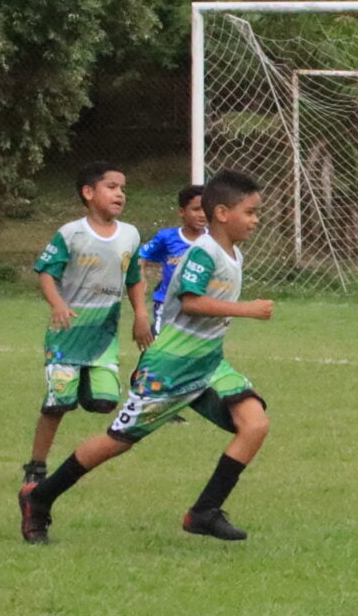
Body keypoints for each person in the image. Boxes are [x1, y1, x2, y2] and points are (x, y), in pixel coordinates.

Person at [18, 170, 275, 544]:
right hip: (169, 368)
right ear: (222, 213)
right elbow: (190, 302)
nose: (256, 220)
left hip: (208, 362)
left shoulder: (232, 252)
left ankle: (204, 511)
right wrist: (246, 309)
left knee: (255, 424)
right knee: (116, 441)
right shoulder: (203, 252)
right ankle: (39, 498)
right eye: (250, 212)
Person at [23, 163, 149, 502]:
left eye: (123, 188)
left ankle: (80, 386)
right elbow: (46, 273)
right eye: (111, 186)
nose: (120, 193)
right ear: (88, 193)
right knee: (57, 405)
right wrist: (58, 304)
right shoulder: (71, 233)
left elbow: (134, 278)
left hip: (102, 337)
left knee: (104, 402)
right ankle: (36, 465)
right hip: (66, 333)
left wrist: (141, 313)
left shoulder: (131, 235)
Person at [138, 182, 208, 311]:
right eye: (196, 209)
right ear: (182, 212)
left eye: (205, 209)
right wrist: (141, 277)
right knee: (161, 332)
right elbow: (141, 254)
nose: (202, 214)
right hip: (166, 304)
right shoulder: (167, 237)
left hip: (200, 306)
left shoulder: (214, 240)